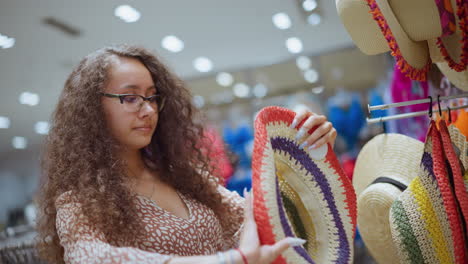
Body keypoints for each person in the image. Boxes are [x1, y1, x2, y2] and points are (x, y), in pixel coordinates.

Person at [36, 44, 337, 264]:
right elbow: (92, 258)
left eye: (152, 97)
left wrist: (305, 147)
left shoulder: (184, 177)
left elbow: (260, 213)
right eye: (130, 98)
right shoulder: (79, 201)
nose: (148, 109)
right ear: (91, 108)